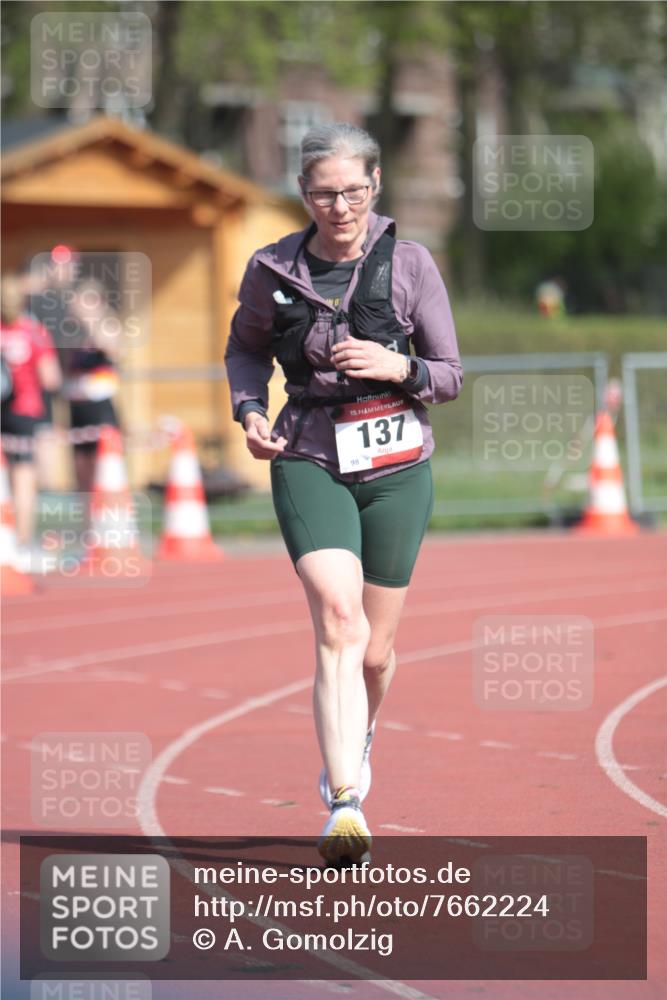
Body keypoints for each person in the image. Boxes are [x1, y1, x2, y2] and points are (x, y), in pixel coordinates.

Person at [225, 123, 462, 865]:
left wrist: (398, 368)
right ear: (303, 194)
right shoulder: (270, 268)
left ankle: (355, 729)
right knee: (337, 617)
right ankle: (345, 801)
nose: (340, 205)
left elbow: (449, 374)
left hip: (395, 461)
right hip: (307, 454)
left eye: (353, 190)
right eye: (324, 193)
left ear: (376, 183)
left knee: (373, 653)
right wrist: (250, 409)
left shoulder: (411, 265)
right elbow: (243, 348)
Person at [0, 273, 62, 566]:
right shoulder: (33, 331)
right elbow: (50, 378)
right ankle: (21, 545)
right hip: (24, 411)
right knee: (24, 480)